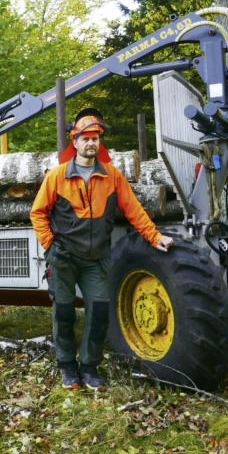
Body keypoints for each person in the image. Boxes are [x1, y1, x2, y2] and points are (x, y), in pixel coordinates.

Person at [30, 108, 174, 390]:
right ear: (75, 141)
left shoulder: (112, 176)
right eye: (85, 138)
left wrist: (154, 236)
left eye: (95, 138)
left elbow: (134, 211)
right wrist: (50, 246)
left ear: (99, 142)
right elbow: (38, 213)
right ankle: (68, 368)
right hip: (64, 258)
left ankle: (90, 368)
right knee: (63, 312)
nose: (91, 143)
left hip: (96, 259)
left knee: (98, 312)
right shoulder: (57, 176)